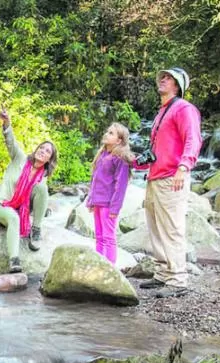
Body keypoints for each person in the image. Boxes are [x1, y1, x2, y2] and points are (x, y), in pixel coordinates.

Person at [136, 67, 202, 297]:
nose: (163, 80)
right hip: (156, 177)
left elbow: (193, 139)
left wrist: (184, 167)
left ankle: (177, 280)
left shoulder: (184, 108)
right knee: (155, 227)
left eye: (168, 78)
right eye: (162, 77)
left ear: (178, 85)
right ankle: (163, 273)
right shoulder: (163, 111)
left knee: (172, 228)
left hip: (172, 177)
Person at [0, 106, 58, 273]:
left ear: (49, 159)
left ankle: (36, 229)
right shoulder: (20, 158)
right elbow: (10, 140)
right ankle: (14, 260)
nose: (43, 152)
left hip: (23, 207)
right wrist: (6, 121)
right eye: (41, 148)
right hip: (3, 205)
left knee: (42, 189)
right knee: (13, 219)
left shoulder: (42, 176)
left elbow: (38, 195)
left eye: (47, 152)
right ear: (36, 150)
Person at [86, 123, 133, 264]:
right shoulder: (102, 154)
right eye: (108, 131)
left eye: (111, 133)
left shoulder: (120, 158)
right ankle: (100, 264)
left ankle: (110, 267)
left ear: (119, 141)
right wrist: (90, 200)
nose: (107, 134)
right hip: (98, 201)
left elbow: (121, 185)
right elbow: (95, 180)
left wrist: (115, 208)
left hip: (108, 204)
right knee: (99, 236)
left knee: (108, 237)